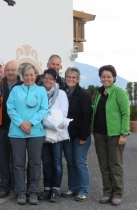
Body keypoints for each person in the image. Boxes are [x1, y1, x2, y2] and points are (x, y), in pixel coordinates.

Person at [7, 65, 48, 205]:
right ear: (22, 76)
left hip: (35, 132)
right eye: (26, 75)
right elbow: (10, 108)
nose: (29, 77)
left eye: (31, 74)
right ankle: (20, 192)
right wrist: (21, 124)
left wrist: (30, 123)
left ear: (36, 75)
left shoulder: (41, 90)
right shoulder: (16, 90)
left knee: (35, 163)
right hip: (17, 133)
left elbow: (44, 109)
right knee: (18, 163)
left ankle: (33, 191)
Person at [92, 65, 130, 206]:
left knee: (115, 165)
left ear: (114, 77)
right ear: (100, 78)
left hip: (115, 135)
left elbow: (125, 113)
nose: (106, 79)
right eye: (103, 76)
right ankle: (107, 192)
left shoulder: (119, 92)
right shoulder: (100, 93)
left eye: (109, 76)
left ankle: (117, 193)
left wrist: (123, 134)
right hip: (99, 134)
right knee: (104, 165)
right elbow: (97, 111)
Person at [0, 61, 23, 198]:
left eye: (13, 70)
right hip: (2, 126)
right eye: (8, 70)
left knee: (17, 159)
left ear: (17, 71)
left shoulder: (23, 86)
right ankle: (4, 186)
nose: (10, 72)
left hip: (18, 127)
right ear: (5, 71)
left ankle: (17, 186)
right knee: (3, 158)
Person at [61, 67, 92, 202]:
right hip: (67, 134)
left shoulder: (83, 95)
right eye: (69, 77)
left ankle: (83, 190)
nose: (71, 79)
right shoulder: (63, 93)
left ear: (78, 79)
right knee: (70, 162)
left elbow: (87, 116)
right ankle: (72, 188)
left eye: (74, 77)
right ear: (65, 77)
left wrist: (84, 136)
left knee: (80, 162)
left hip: (80, 136)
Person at [38, 69, 68, 203]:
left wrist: (46, 117)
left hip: (56, 133)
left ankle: (55, 189)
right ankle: (47, 188)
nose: (48, 80)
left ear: (55, 80)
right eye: (46, 78)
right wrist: (48, 116)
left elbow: (63, 113)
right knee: (46, 162)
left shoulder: (61, 93)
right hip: (42, 132)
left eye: (51, 78)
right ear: (43, 79)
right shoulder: (39, 92)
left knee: (56, 162)